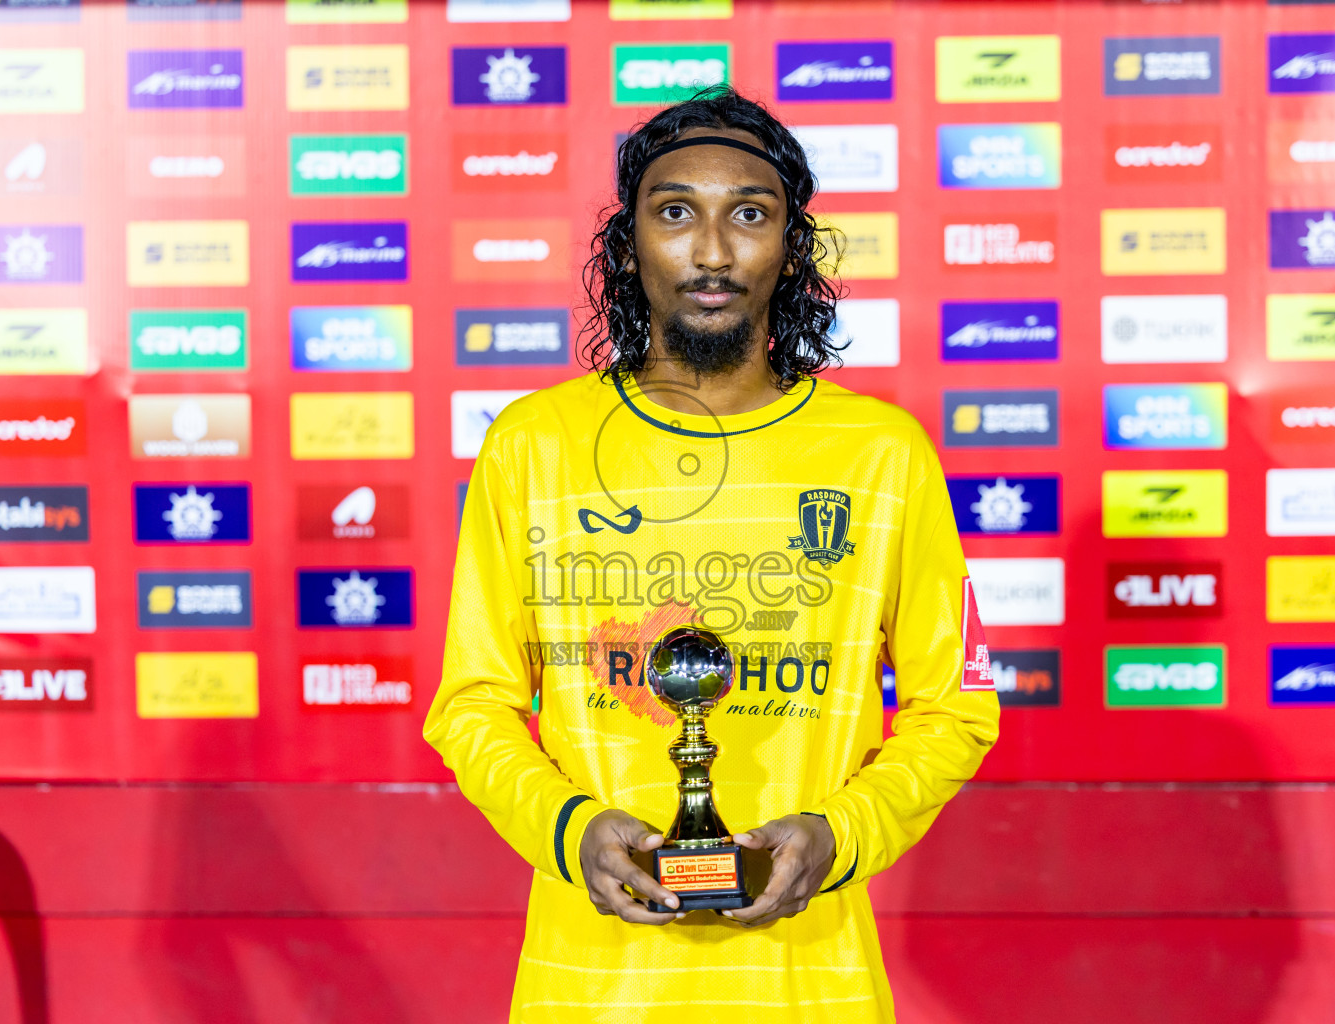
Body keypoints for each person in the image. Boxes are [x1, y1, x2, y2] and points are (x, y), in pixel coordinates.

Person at [424, 86, 1000, 1022]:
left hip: (811, 989)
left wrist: (837, 834)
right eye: (676, 211)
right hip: (593, 991)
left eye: (750, 215)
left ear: (792, 245)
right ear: (629, 241)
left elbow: (956, 710)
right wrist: (572, 830)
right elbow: (473, 705)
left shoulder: (881, 456)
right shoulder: (534, 448)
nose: (712, 250)